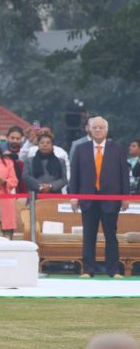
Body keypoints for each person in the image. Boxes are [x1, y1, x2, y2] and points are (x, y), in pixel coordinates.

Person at [69, 116, 130, 277]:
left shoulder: (117, 149)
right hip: (88, 200)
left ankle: (114, 270)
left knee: (111, 235)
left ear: (106, 130)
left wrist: (125, 197)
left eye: (100, 127)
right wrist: (74, 197)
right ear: (89, 129)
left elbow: (124, 174)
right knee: (89, 235)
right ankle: (88, 270)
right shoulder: (81, 149)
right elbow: (74, 174)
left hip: (111, 200)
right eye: (94, 127)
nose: (97, 130)